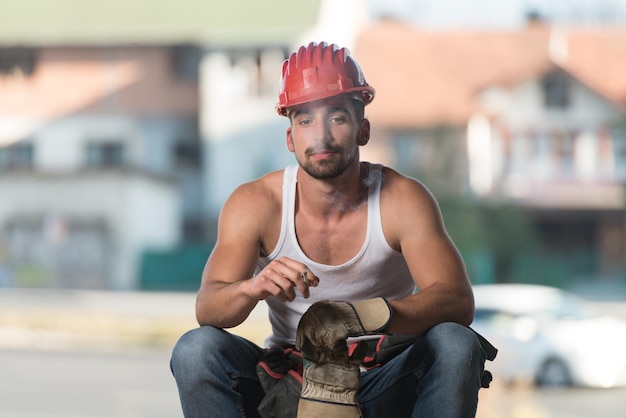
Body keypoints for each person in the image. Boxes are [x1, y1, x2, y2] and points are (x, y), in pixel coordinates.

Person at [171, 41, 489, 418]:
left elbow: (457, 302)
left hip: (382, 376)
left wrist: (365, 316)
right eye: (305, 120)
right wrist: (250, 287)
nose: (320, 134)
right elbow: (208, 309)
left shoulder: (402, 199)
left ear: (362, 130)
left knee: (455, 343)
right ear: (290, 138)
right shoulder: (255, 203)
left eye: (336, 117)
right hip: (288, 377)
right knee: (196, 349)